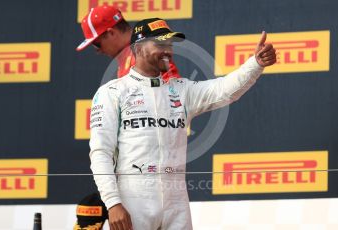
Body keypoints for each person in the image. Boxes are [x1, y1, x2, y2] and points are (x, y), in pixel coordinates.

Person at [89, 17, 276, 230]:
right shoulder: (112, 92)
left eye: (169, 44)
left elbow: (224, 90)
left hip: (176, 204)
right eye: (160, 44)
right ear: (138, 49)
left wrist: (256, 64)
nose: (167, 50)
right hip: (134, 203)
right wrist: (113, 203)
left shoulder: (181, 90)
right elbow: (100, 152)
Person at [76, 4, 180, 81]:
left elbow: (174, 94)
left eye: (96, 44)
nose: (98, 51)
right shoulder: (126, 56)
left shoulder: (144, 50)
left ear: (111, 33)